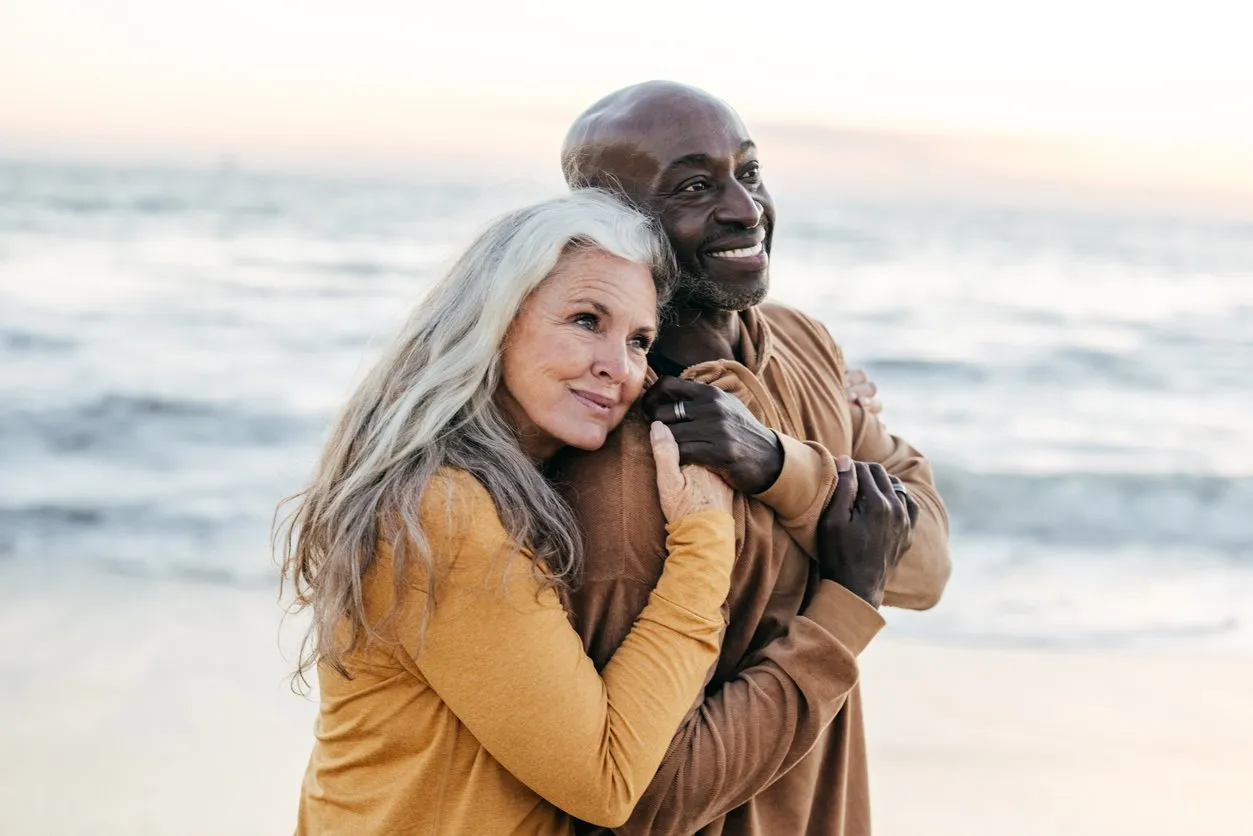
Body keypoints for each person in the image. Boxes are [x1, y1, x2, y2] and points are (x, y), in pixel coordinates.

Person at [550, 81, 953, 835]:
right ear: (613, 227)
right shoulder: (623, 454)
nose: (744, 209)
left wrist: (777, 467)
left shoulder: (805, 345)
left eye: (750, 172)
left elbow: (925, 569)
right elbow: (639, 795)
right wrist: (847, 582)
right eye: (696, 187)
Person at [279, 189, 743, 835]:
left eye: (639, 341)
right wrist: (704, 534)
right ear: (492, 320)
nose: (618, 368)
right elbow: (604, 779)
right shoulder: (442, 510)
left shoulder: (486, 486)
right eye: (585, 320)